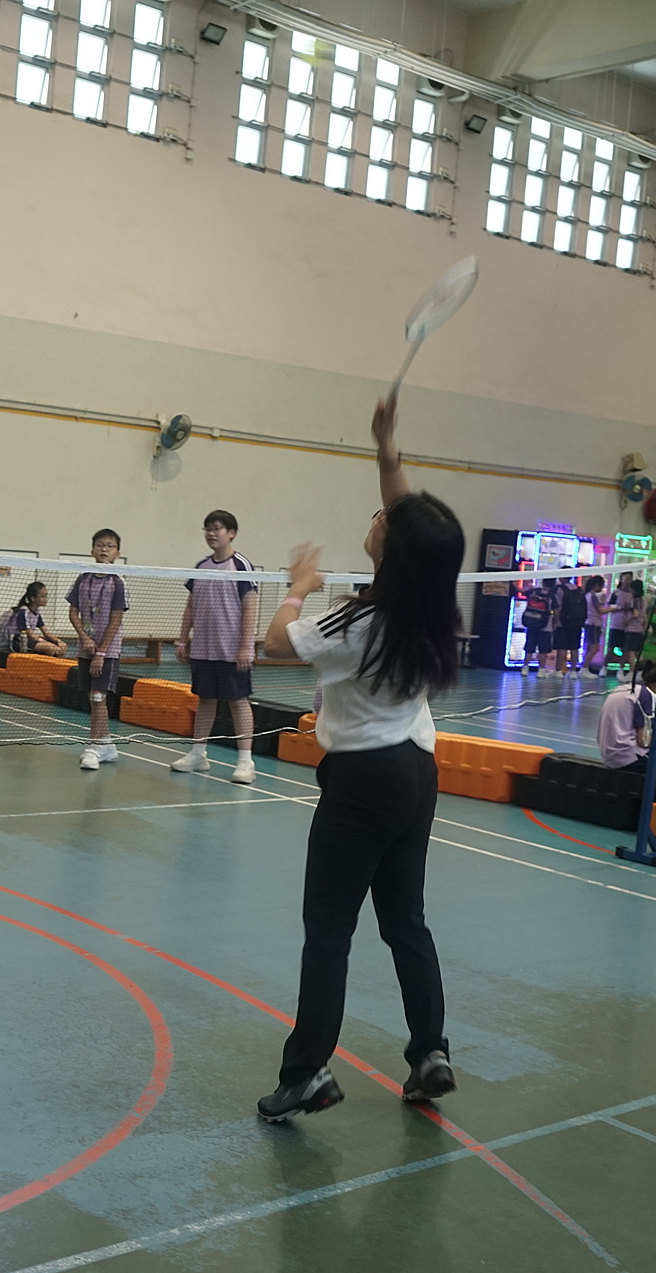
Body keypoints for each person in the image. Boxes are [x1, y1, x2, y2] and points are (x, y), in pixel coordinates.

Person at [253, 394, 460, 1122]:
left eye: (382, 521)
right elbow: (406, 514)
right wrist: (386, 445)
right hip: (417, 774)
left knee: (329, 929)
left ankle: (307, 1072)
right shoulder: (432, 603)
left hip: (363, 782)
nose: (378, 516)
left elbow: (277, 644)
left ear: (391, 551)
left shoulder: (360, 624)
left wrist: (296, 589)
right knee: (406, 921)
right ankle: (430, 1051)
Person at [174, 510, 260, 785]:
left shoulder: (241, 565)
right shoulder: (200, 566)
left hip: (232, 649)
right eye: (208, 528)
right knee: (205, 699)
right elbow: (190, 605)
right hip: (203, 648)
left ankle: (246, 762)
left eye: (218, 528)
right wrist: (182, 639)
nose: (212, 533)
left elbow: (250, 606)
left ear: (231, 533)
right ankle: (198, 754)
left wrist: (245, 646)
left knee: (238, 701)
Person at [68, 529, 127, 771]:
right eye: (100, 545)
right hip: (86, 648)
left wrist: (101, 652)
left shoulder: (118, 582)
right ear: (92, 550)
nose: (104, 549)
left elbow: (116, 619)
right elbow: (73, 612)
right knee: (92, 698)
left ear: (118, 553)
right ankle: (106, 743)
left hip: (107, 651)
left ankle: (93, 748)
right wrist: (84, 638)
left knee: (98, 696)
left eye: (110, 546)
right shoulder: (83, 578)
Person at [0, 581, 66, 666]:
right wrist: (44, 642)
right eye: (42, 596)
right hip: (19, 641)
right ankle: (46, 668)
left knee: (61, 647)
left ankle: (53, 669)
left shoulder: (37, 613)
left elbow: (46, 632)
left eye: (46, 596)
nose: (45, 599)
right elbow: (29, 633)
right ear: (33, 598)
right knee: (50, 648)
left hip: (30, 640)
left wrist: (58, 641)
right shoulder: (24, 611)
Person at [553, 577, 588, 676]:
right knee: (574, 647)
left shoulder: (560, 589)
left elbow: (558, 607)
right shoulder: (579, 590)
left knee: (562, 647)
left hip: (563, 622)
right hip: (577, 623)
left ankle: (558, 670)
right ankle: (573, 671)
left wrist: (555, 621)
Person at [518, 579, 553, 676]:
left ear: (543, 582)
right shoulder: (552, 596)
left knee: (529, 648)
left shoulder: (534, 592)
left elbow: (522, 591)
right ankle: (541, 670)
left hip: (532, 624)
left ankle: (525, 668)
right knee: (543, 650)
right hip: (546, 626)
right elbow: (556, 610)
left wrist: (515, 583)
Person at [580, 575, 609, 675]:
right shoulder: (593, 596)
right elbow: (601, 610)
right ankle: (584, 668)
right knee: (594, 648)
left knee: (589, 647)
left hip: (588, 623)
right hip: (594, 624)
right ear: (596, 585)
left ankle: (585, 667)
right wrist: (617, 608)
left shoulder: (587, 595)